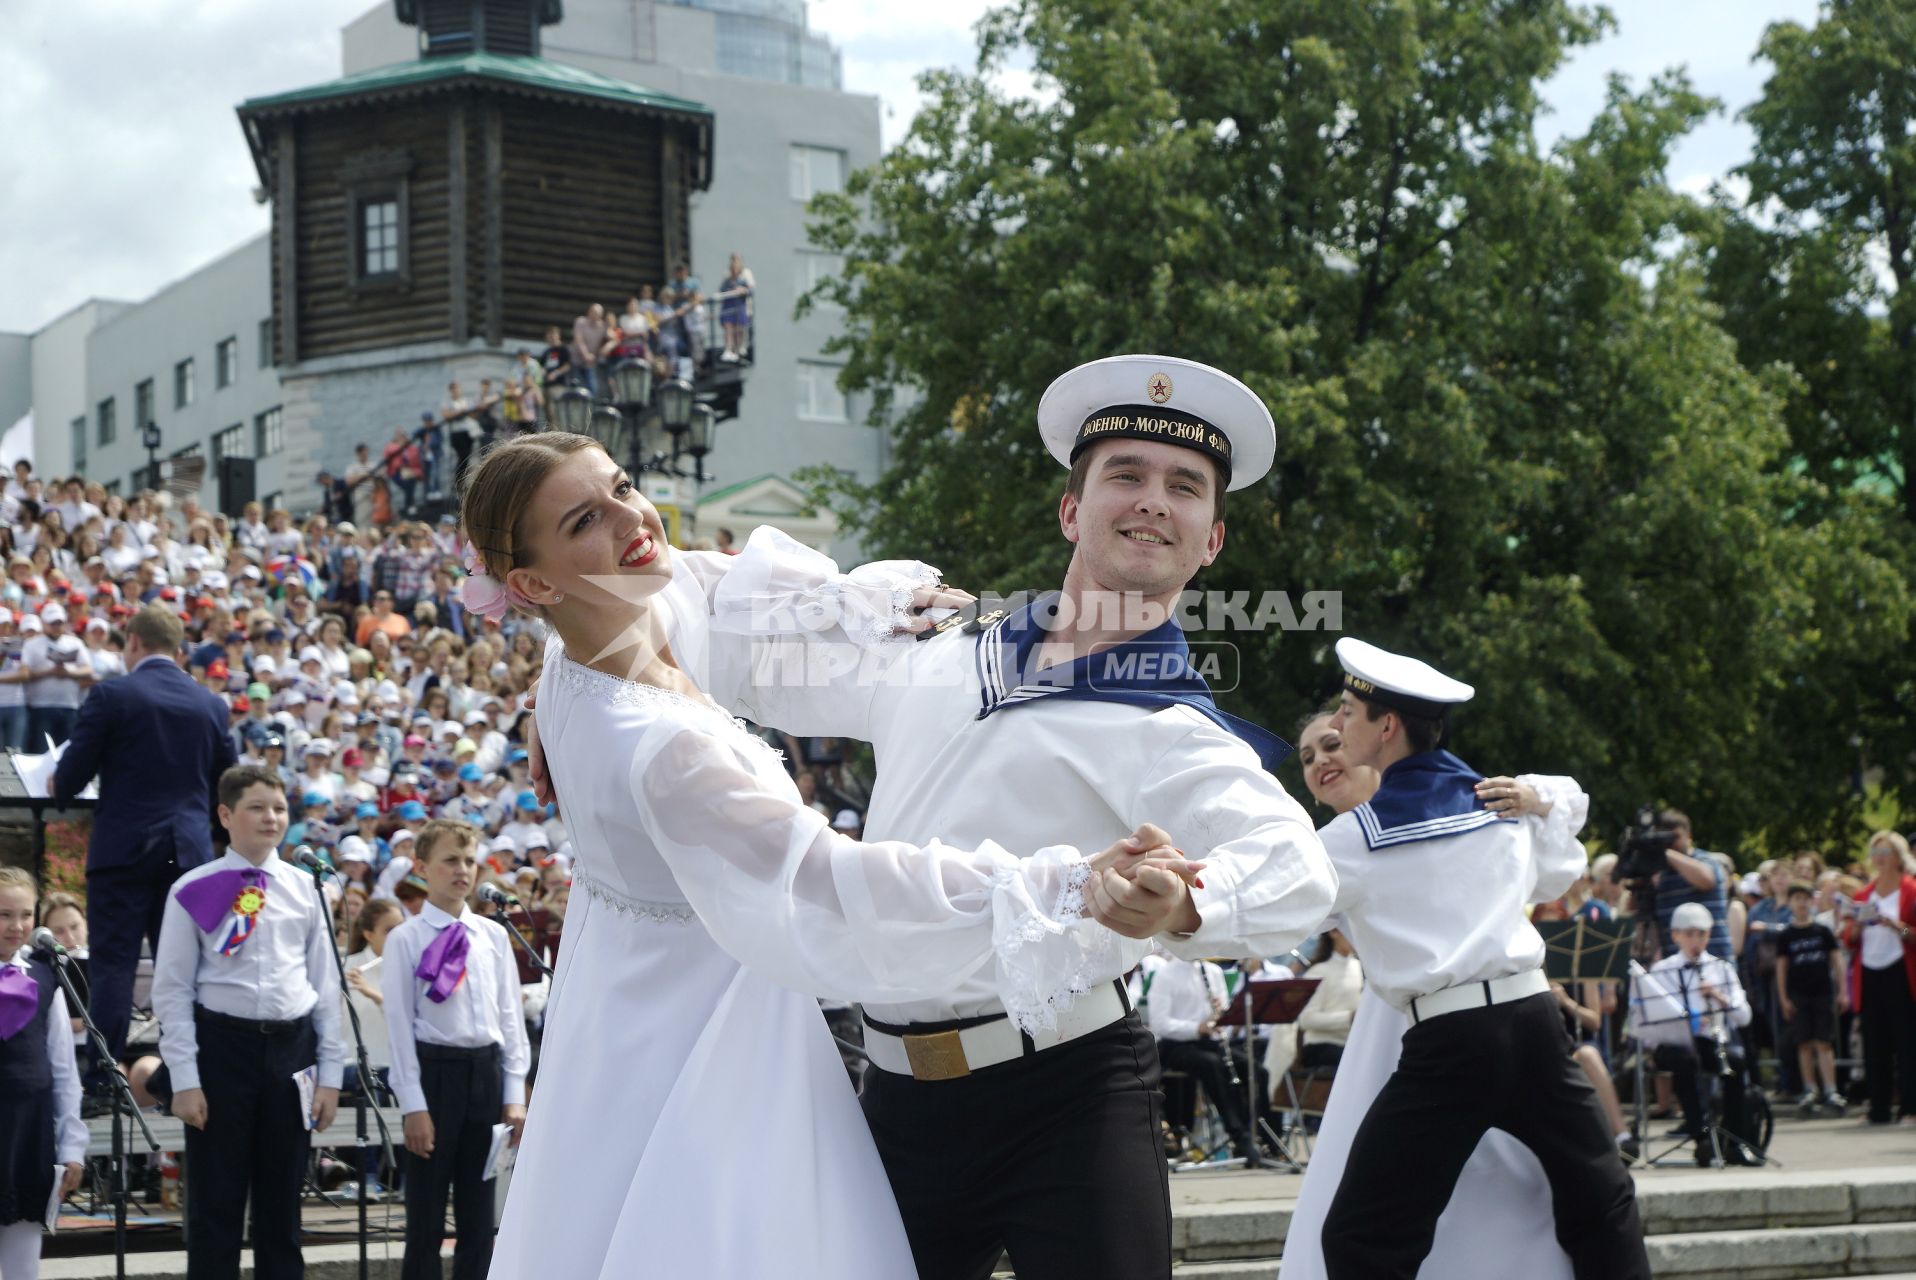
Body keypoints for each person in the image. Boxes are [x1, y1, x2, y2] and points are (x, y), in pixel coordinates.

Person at [527, 357, 1338, 1280]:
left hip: (1071, 1093)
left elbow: (1297, 871)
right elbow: (713, 617)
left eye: (1183, 487)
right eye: (1125, 474)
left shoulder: (1175, 728)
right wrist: (576, 672)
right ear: (1072, 512)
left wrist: (1185, 909)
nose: (1153, 499)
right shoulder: (932, 645)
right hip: (899, 1099)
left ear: (1212, 541)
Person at [1310, 638, 1647, 1279]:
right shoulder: (1499, 803)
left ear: (1387, 728)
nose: (1337, 724)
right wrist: (1539, 800)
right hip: (1534, 1021)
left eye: (1348, 712)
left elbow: (1269, 910)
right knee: (1603, 1202)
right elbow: (1559, 861)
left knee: (1363, 1236)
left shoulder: (1354, 837)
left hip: (1454, 1042)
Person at [1278, 709, 1587, 1280]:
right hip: (1396, 1025)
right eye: (1307, 757)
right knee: (1376, 1201)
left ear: (1375, 748)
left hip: (1476, 1022)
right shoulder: (1331, 848)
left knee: (1513, 1183)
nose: (1321, 759)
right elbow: (1268, 905)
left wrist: (1538, 797)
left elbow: (1558, 846)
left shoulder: (1475, 814)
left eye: (1330, 743)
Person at [145, 765, 346, 1279]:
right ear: (226, 815)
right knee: (217, 1210)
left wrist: (330, 1076)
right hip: (221, 1051)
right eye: (257, 807)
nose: (271, 818)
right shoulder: (193, 888)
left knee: (282, 1212)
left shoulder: (306, 890)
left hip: (291, 1052)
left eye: (279, 808)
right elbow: (172, 990)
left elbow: (325, 988)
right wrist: (185, 1081)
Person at [54, 606, 237, 1070]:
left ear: (132, 642)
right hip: (189, 853)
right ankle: (193, 1069)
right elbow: (228, 788)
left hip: (124, 851)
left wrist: (59, 782)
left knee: (114, 964)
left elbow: (70, 780)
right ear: (178, 651)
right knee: (186, 967)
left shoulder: (112, 694)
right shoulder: (211, 704)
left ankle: (106, 1076)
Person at [380, 821, 529, 1280]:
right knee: (425, 1215)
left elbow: (510, 1018)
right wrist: (414, 1105)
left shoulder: (492, 935)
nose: (462, 870)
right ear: (422, 868)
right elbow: (399, 1029)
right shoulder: (405, 938)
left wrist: (514, 1093)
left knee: (479, 1215)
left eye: (468, 861)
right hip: (433, 1073)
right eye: (450, 860)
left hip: (484, 1074)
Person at [0, 867, 87, 1280]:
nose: (17, 926)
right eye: (4, 915)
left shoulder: (43, 975)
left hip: (29, 1133)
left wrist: (72, 1145)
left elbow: (63, 1067)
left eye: (25, 914)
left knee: (22, 1262)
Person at [1630, 902, 1758, 1165]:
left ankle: (1733, 1141)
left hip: (1708, 1042)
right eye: (1689, 934)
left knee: (1735, 1062)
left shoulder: (1721, 969)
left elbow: (1744, 1017)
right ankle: (1701, 1137)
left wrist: (1719, 997)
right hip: (1672, 1045)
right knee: (1684, 1061)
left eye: (1701, 934)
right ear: (1675, 935)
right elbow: (1646, 1021)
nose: (1695, 941)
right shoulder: (1662, 970)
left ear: (1709, 936)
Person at [1843, 831, 1916, 1125]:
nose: (1879, 859)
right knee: (1875, 1043)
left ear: (1898, 856)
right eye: (1875, 853)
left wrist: (1897, 926)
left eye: (1885, 852)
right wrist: (1856, 928)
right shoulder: (1864, 894)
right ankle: (1879, 1108)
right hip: (1870, 971)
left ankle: (1911, 1107)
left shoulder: (1911, 890)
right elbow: (1849, 937)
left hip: (1902, 971)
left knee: (1908, 1043)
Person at [1775, 880, 1846, 1114]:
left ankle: (1830, 1089)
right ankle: (1809, 1089)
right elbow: (1781, 967)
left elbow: (1837, 961)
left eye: (1806, 898)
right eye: (1797, 899)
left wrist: (1843, 990)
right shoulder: (1786, 935)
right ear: (1791, 903)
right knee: (1803, 1043)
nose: (1802, 903)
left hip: (1822, 993)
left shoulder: (1822, 931)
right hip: (1798, 994)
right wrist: (1784, 997)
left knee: (1824, 1042)